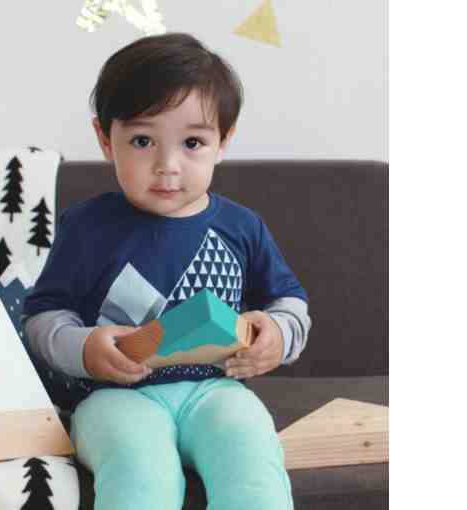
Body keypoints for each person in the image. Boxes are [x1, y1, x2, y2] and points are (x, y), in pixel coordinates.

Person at [23, 32, 311, 510]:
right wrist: (85, 347)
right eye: (142, 141)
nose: (167, 166)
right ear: (105, 139)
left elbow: (289, 302)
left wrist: (278, 336)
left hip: (217, 390)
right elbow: (42, 318)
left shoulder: (242, 227)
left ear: (224, 141)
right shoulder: (87, 226)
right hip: (115, 396)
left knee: (252, 460)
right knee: (141, 471)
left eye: (193, 142)